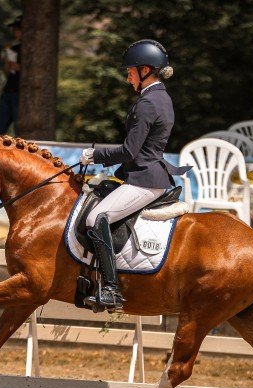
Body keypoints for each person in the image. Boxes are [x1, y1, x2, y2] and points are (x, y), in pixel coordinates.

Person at [78, 39, 190, 311]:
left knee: (96, 218)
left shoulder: (148, 103)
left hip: (145, 178)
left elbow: (129, 150)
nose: (127, 77)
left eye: (130, 72)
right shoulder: (160, 97)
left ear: (145, 70)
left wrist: (96, 155)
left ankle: (112, 290)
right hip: (146, 174)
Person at [0, 15, 22, 135]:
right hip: (8, 90)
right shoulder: (14, 48)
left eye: (17, 29)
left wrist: (19, 67)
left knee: (20, 130)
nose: (14, 32)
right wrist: (8, 57)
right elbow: (7, 72)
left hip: (20, 94)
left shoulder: (34, 50)